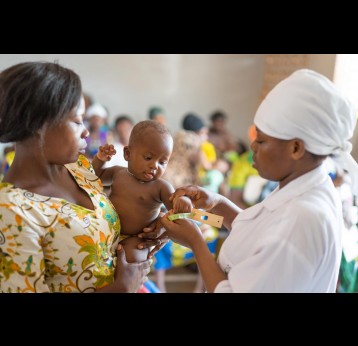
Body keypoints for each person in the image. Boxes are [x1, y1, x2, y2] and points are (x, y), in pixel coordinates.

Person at [161, 69, 358, 293]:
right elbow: (256, 233)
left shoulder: (302, 220)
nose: (252, 147)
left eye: (262, 141)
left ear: (296, 148)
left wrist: (196, 242)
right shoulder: (303, 185)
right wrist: (218, 206)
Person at [0, 61, 165, 293]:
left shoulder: (78, 168)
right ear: (39, 124)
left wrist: (150, 227)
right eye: (77, 121)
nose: (86, 131)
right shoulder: (11, 210)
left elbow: (108, 225)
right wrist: (121, 288)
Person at [91, 120, 192, 264]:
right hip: (106, 231)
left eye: (162, 162)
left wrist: (184, 200)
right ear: (128, 154)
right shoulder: (118, 173)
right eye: (148, 158)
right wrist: (99, 159)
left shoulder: (161, 187)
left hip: (136, 238)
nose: (154, 166)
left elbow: (176, 210)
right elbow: (97, 177)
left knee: (133, 257)